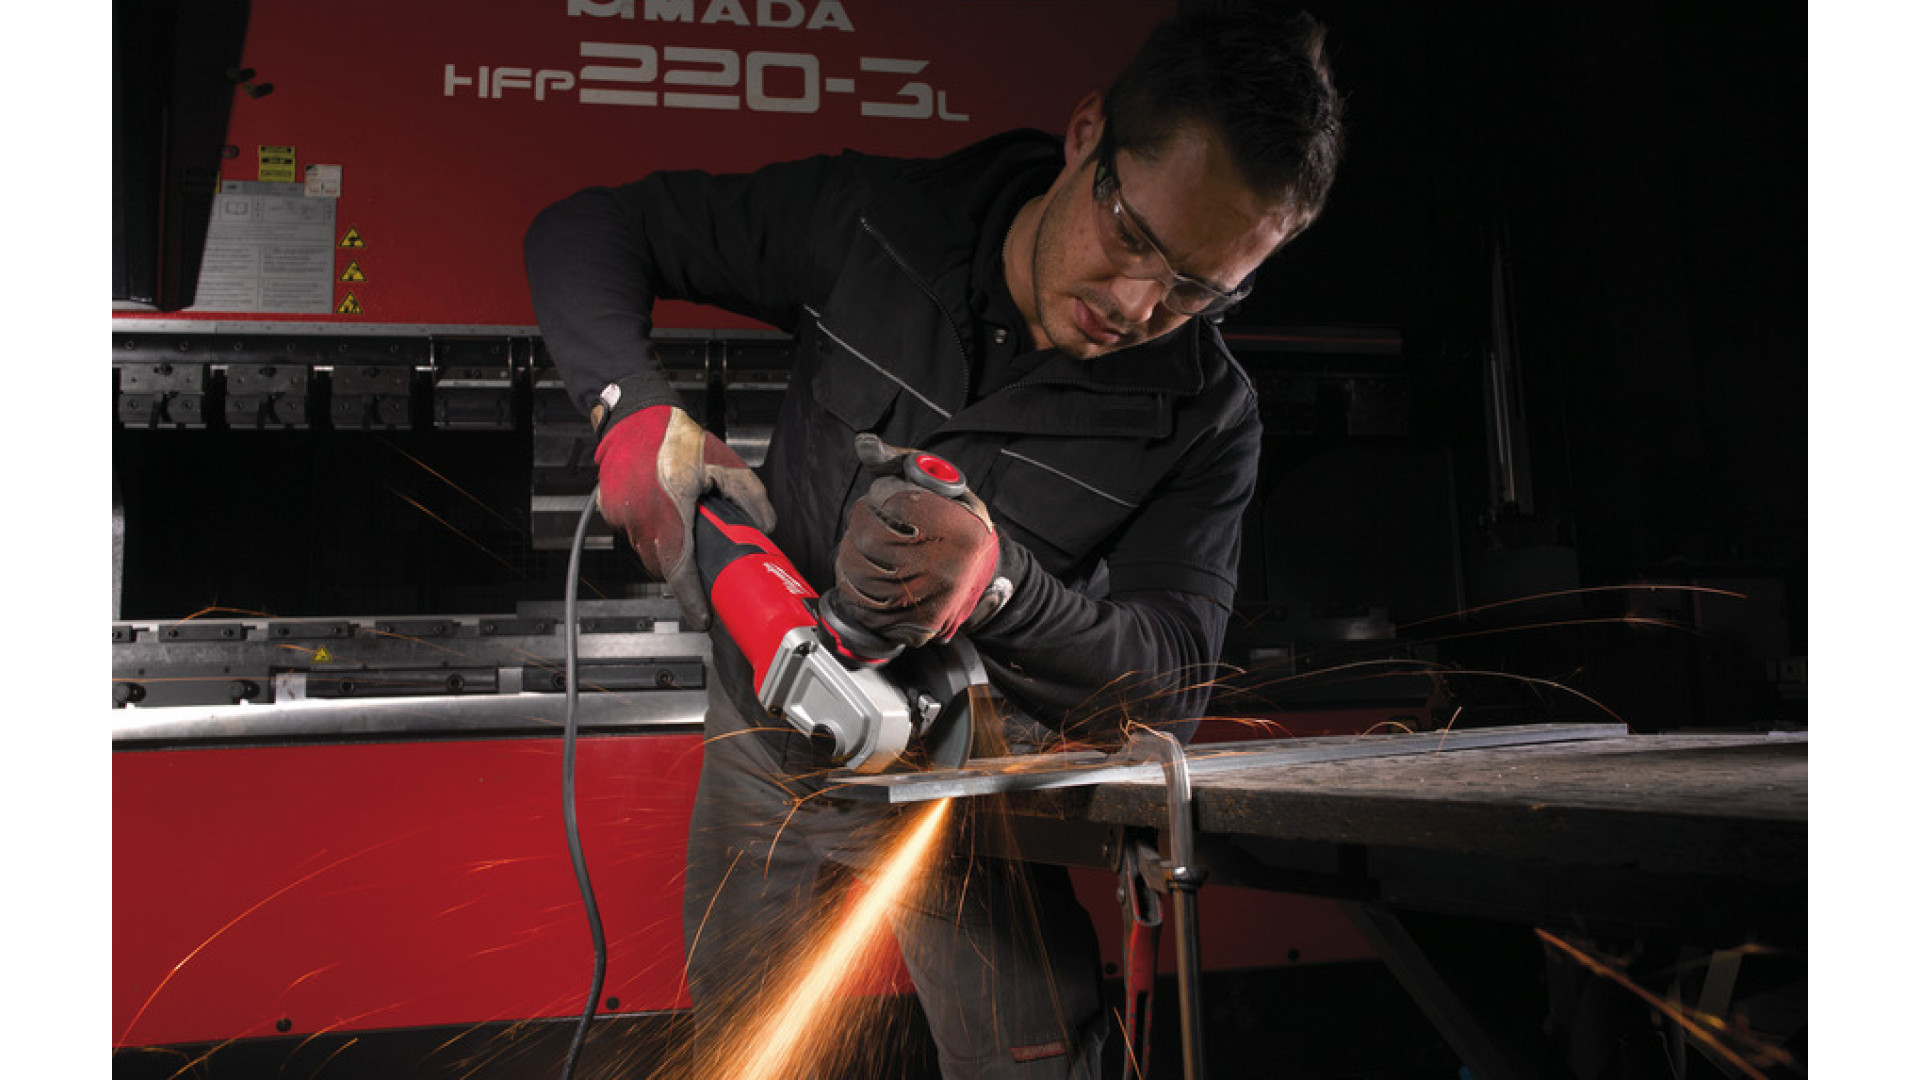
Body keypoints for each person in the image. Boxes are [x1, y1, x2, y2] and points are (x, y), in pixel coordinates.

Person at [524, 5, 1343, 1075]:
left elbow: (1170, 686)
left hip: (967, 784)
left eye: (1199, 289)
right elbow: (588, 228)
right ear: (1087, 135)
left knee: (1036, 1061)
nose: (1139, 304)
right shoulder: (877, 221)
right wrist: (628, 412)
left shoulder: (1208, 415)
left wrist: (1002, 588)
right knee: (752, 1049)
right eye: (1133, 238)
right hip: (766, 738)